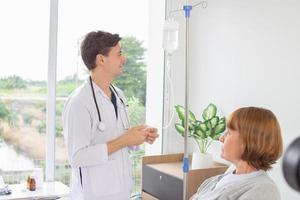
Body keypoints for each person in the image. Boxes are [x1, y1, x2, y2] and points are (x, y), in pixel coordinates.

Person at [63, 30, 159, 200]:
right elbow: (77, 157)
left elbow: (117, 137)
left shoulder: (118, 95)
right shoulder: (79, 102)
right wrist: (125, 140)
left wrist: (138, 135)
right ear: (101, 59)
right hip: (94, 195)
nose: (124, 59)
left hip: (121, 191)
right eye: (119, 53)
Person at [190, 107, 283, 200]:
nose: (221, 138)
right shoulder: (232, 172)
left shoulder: (264, 191)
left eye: (229, 133)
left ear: (248, 141)